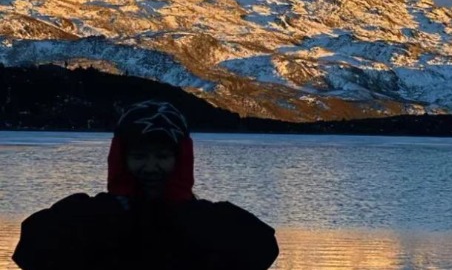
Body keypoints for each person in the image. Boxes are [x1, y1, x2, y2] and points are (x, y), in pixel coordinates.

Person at [12, 100, 279, 270]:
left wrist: (182, 208)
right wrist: (111, 208)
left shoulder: (205, 220)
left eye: (162, 157)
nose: (151, 168)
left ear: (182, 159)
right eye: (139, 156)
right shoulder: (93, 215)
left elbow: (264, 249)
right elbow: (29, 251)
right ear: (120, 158)